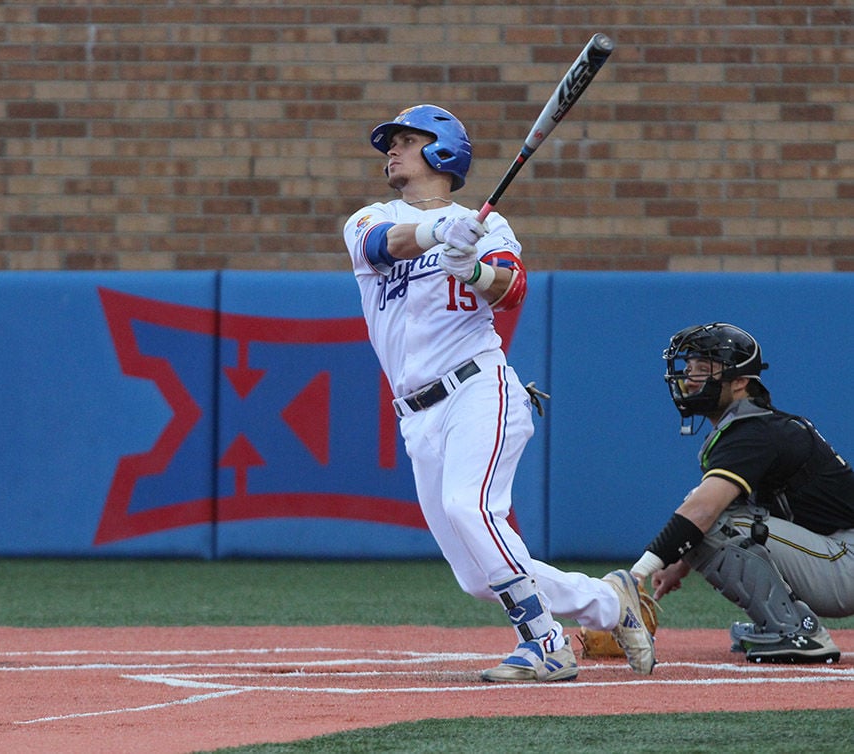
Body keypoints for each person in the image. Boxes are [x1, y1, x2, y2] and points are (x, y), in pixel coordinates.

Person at [341, 103, 655, 682]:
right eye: (391, 141)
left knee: (472, 507)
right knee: (475, 575)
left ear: (441, 152)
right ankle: (611, 602)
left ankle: (547, 643)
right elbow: (386, 244)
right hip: (415, 414)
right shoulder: (368, 217)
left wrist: (472, 270)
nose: (392, 149)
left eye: (407, 140)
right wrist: (441, 232)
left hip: (477, 389)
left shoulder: (489, 227)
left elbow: (511, 291)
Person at [630, 322, 854, 663]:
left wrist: (634, 576)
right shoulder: (754, 426)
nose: (690, 378)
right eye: (689, 369)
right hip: (837, 553)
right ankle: (781, 624)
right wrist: (678, 562)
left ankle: (796, 631)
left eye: (704, 370)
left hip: (845, 559)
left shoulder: (753, 431)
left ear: (740, 383)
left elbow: (703, 512)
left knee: (713, 520)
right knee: (706, 516)